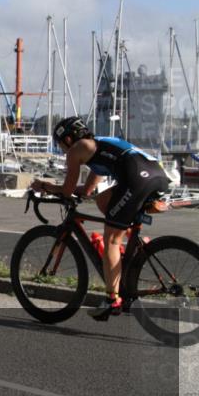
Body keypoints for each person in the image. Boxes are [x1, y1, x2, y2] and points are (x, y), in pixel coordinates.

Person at [32, 117, 170, 321]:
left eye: (61, 145)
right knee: (103, 199)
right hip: (157, 175)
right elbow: (87, 191)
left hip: (137, 180)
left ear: (69, 138)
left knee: (111, 239)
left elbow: (68, 191)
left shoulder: (77, 148)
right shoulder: (100, 146)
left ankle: (112, 299)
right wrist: (67, 191)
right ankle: (133, 244)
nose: (62, 150)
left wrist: (44, 186)